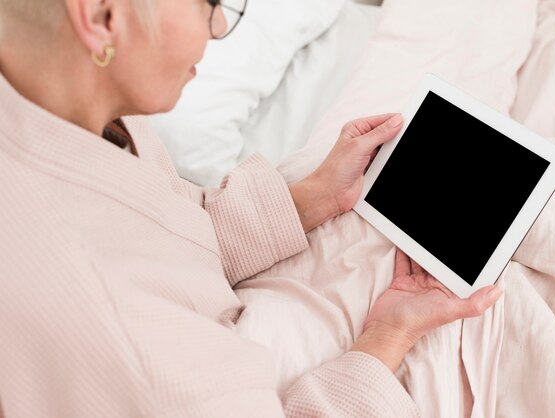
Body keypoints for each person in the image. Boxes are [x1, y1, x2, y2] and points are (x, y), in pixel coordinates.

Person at [0, 0, 503, 416]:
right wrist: (390, 333)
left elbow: (161, 234)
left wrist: (317, 193)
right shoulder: (121, 331)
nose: (217, 29)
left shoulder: (63, 105)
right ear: (102, 17)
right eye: (209, 5)